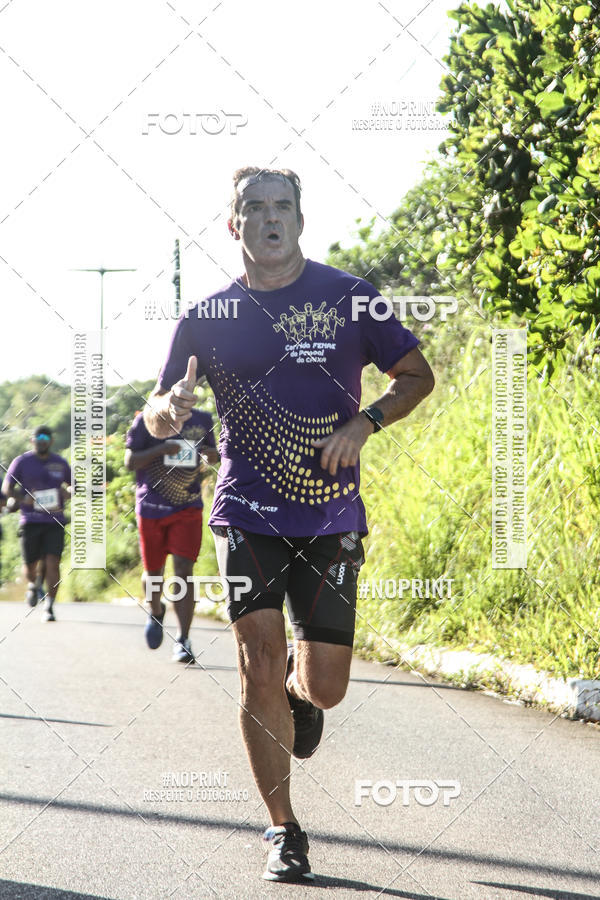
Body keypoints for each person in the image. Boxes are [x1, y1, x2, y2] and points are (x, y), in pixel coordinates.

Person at [143, 167, 435, 882]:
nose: (270, 219)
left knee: (324, 685)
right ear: (234, 224)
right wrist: (169, 412)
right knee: (258, 663)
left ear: (301, 219)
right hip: (244, 514)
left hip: (331, 514)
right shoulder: (207, 317)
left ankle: (303, 700)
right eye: (254, 208)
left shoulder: (348, 298)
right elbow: (155, 409)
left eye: (283, 207)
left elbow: (416, 375)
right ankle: (283, 830)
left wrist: (366, 424)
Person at [125, 409, 218, 662]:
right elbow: (130, 461)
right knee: (154, 572)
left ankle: (183, 639)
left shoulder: (203, 419)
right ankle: (155, 610)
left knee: (184, 571)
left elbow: (214, 453)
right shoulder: (145, 419)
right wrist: (161, 450)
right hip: (152, 508)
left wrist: (211, 455)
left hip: (187, 506)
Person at [2, 425, 71, 621]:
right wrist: (22, 499)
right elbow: (7, 488)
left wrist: (69, 492)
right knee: (30, 565)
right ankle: (33, 584)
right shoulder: (22, 462)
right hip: (30, 520)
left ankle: (49, 606)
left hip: (55, 520)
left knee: (53, 563)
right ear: (32, 440)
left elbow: (75, 484)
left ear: (51, 440)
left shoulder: (60, 462)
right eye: (37, 436)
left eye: (45, 437)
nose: (41, 440)